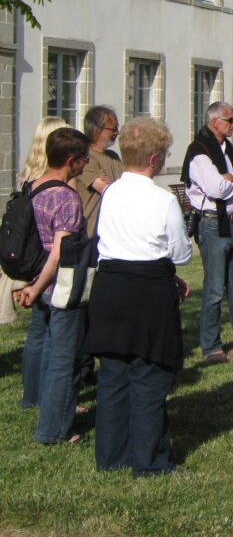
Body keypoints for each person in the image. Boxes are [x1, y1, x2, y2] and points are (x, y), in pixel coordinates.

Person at [84, 117, 192, 476]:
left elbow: (105, 237)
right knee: (149, 375)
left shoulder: (111, 191)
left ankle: (110, 456)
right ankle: (149, 462)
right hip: (148, 291)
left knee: (113, 374)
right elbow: (180, 253)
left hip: (111, 286)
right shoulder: (162, 200)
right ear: (153, 160)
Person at [14, 127, 91, 444]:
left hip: (35, 279)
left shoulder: (32, 186)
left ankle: (40, 402)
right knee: (65, 359)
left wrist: (31, 285)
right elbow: (60, 253)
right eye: (84, 160)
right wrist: (38, 286)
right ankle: (55, 429)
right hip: (59, 286)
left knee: (44, 346)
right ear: (71, 161)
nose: (86, 165)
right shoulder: (66, 198)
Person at [181, 101, 233, 363]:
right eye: (230, 119)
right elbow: (216, 189)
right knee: (213, 289)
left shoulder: (229, 149)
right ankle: (211, 347)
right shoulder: (199, 152)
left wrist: (231, 176)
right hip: (212, 224)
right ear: (215, 122)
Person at [3, 117, 68, 333]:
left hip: (31, 252)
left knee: (38, 329)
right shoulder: (58, 179)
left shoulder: (27, 175)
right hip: (49, 253)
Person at [77, 105, 125, 236]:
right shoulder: (86, 157)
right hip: (91, 233)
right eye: (113, 129)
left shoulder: (113, 157)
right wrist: (115, 187)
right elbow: (109, 191)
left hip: (113, 232)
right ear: (96, 130)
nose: (117, 133)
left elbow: (126, 188)